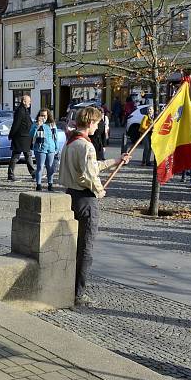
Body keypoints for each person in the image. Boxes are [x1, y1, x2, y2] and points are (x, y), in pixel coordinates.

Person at [58, 107, 130, 307]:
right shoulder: (86, 146)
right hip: (86, 200)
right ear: (90, 123)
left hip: (70, 195)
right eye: (97, 124)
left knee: (74, 245)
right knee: (85, 248)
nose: (97, 127)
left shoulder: (71, 142)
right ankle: (78, 293)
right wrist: (99, 190)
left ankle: (69, 286)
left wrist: (116, 161)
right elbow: (89, 175)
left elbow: (92, 167)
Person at [30, 109, 58, 191]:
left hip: (50, 148)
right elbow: (31, 134)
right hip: (39, 148)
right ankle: (38, 185)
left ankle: (50, 184)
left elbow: (55, 137)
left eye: (44, 115)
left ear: (48, 116)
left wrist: (56, 147)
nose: (43, 117)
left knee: (50, 167)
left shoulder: (52, 125)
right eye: (41, 115)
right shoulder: (36, 124)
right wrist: (37, 126)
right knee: (40, 167)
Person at [8, 94, 35, 181]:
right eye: (29, 101)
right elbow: (16, 124)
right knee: (16, 156)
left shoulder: (25, 110)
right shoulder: (20, 111)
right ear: (24, 101)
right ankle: (10, 174)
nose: (30, 103)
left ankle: (33, 173)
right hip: (20, 138)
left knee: (27, 156)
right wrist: (11, 135)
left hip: (25, 138)